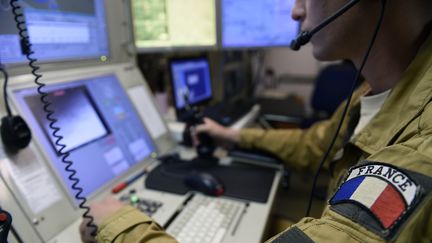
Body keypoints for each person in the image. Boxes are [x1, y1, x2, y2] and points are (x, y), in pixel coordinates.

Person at [80, 0, 432, 242]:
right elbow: (314, 144)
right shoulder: (372, 92)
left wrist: (115, 223)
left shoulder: (422, 143)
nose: (296, 11)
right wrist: (230, 135)